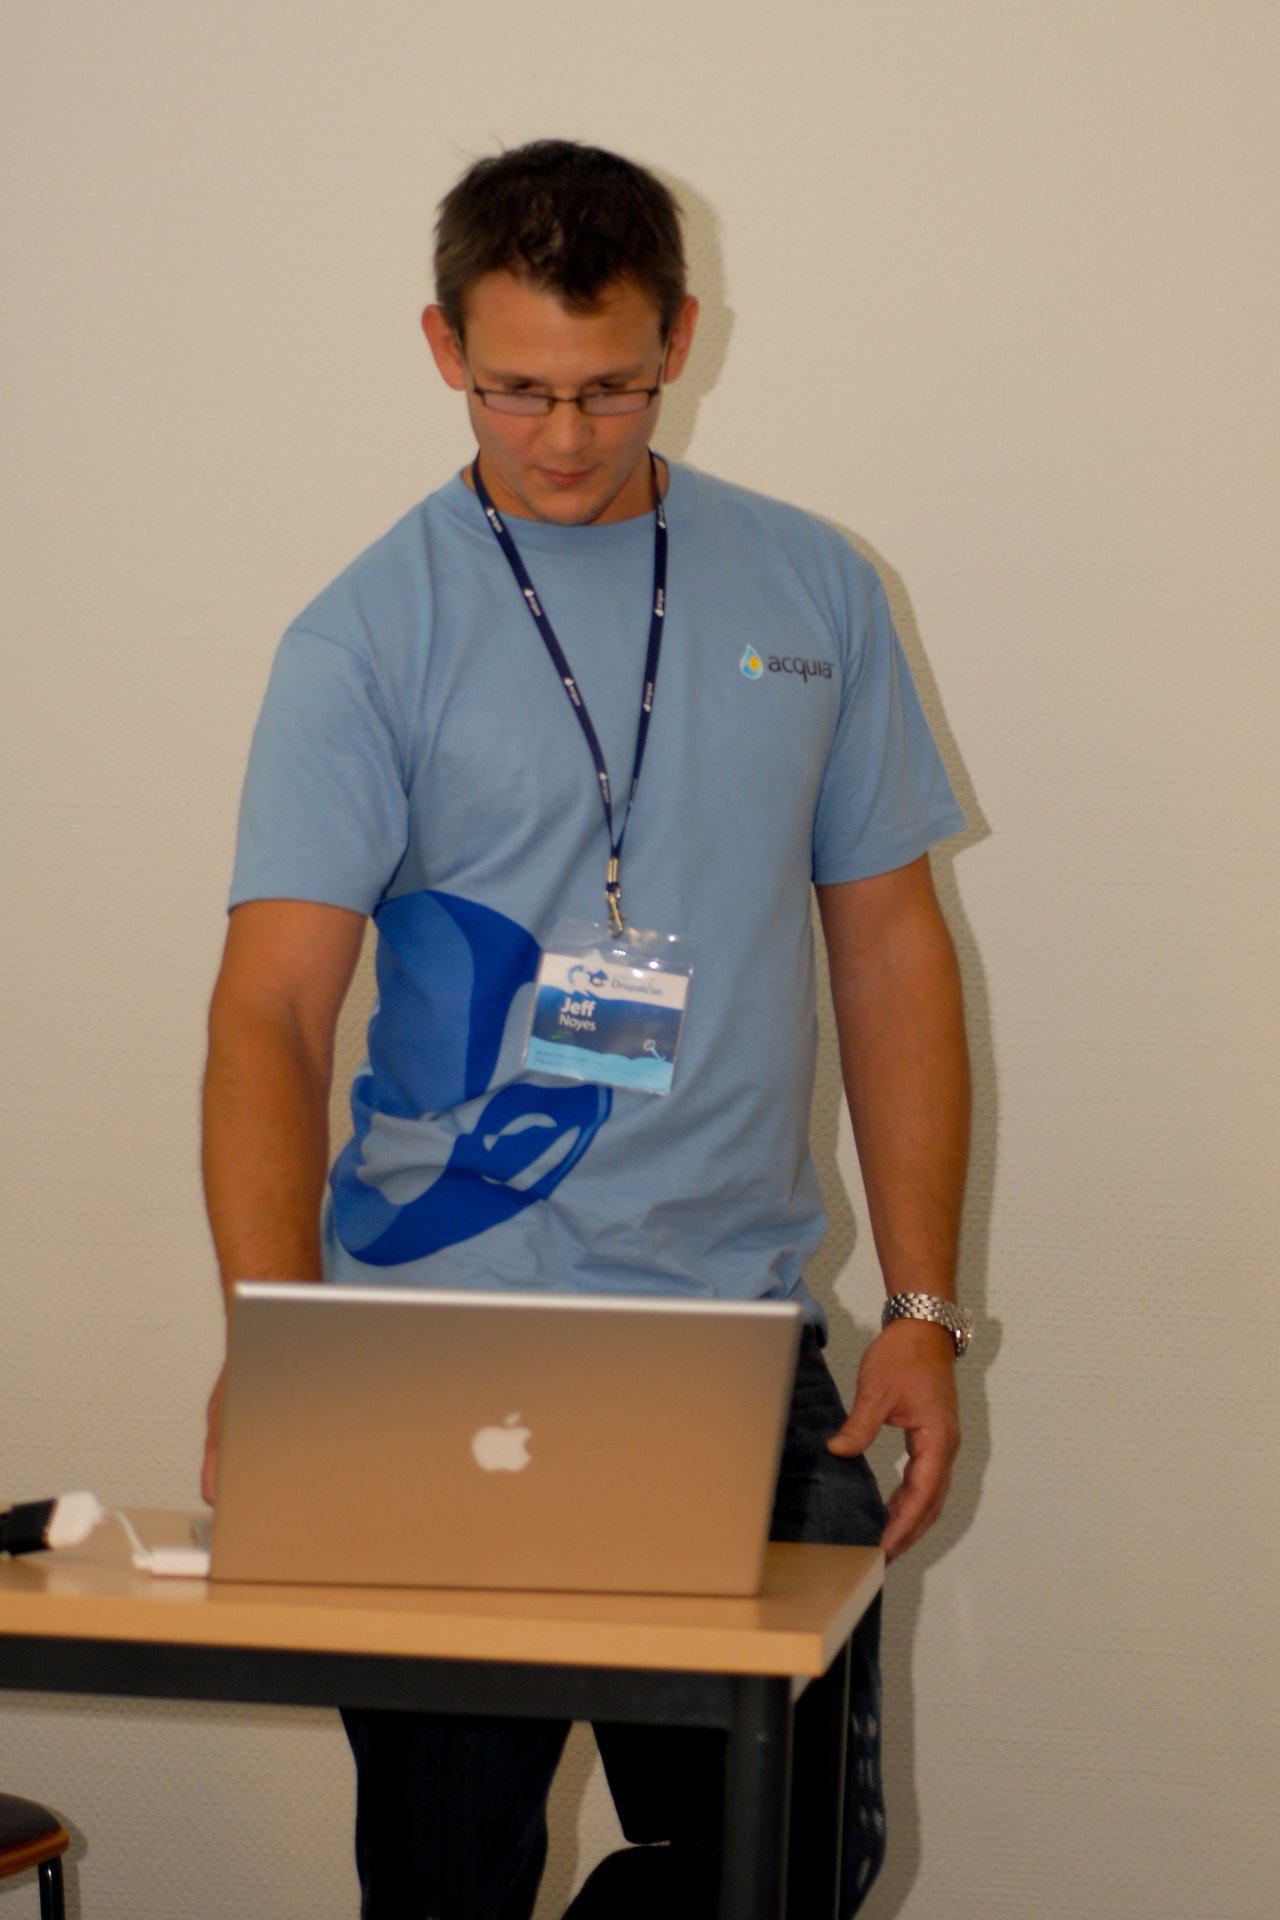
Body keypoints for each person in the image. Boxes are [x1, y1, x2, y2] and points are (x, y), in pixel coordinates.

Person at [201, 139, 971, 1919]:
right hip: (436, 1354)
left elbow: (890, 951)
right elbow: (272, 1010)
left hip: (734, 1339)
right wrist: (272, 1335)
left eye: (610, 386)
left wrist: (922, 1307)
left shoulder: (814, 590)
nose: (562, 437)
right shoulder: (365, 634)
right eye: (518, 389)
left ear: (681, 338)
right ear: (441, 348)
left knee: (786, 1867)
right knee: (448, 1880)